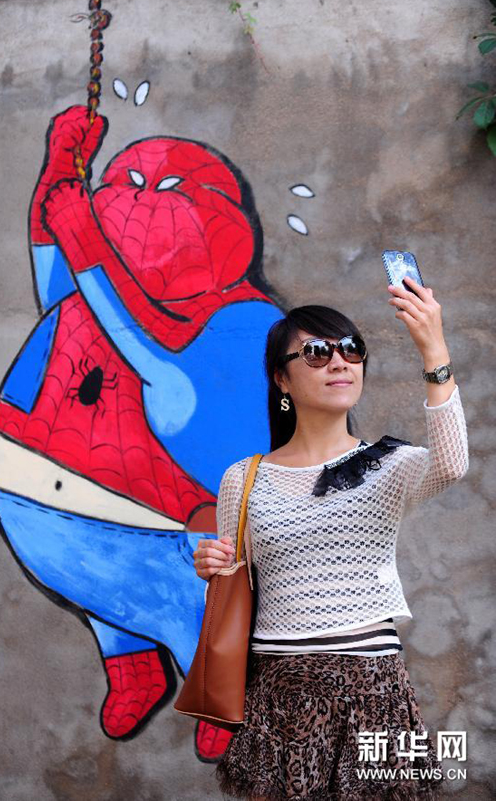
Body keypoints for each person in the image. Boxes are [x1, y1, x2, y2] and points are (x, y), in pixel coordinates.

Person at [193, 277, 469, 800]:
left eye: (351, 349)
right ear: (282, 379)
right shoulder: (243, 479)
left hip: (373, 688)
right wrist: (211, 568)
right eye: (317, 353)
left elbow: (452, 463)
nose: (339, 362)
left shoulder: (389, 465)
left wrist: (433, 347)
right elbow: (229, 593)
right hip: (278, 690)